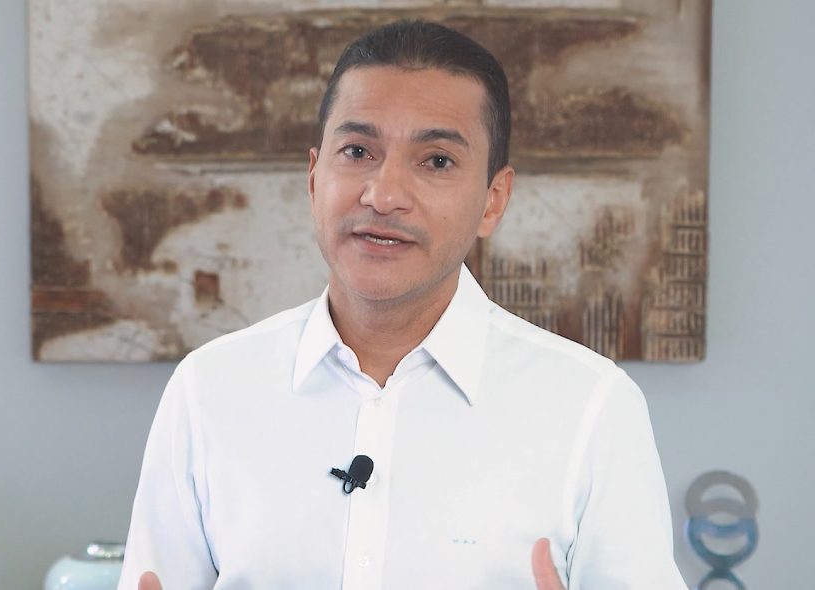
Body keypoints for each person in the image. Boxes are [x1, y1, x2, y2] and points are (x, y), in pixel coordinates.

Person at [118, 20, 687, 590]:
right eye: (357, 151)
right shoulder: (208, 389)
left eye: (436, 161)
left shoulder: (590, 405)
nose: (384, 195)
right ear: (314, 178)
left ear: (493, 201)